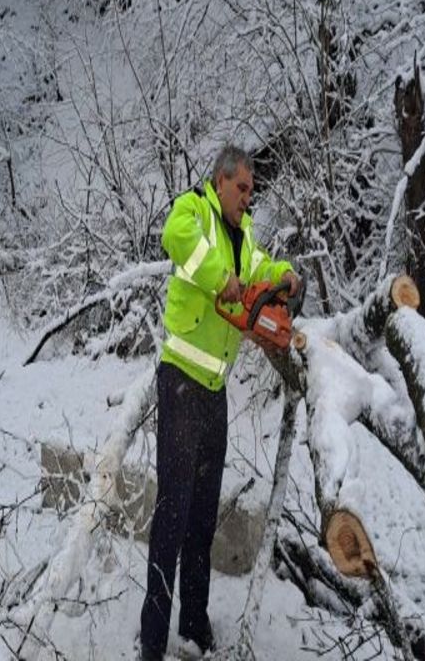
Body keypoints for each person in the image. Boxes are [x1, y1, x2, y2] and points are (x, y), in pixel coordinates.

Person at [139, 145, 300, 660]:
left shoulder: (244, 234)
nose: (248, 199)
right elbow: (174, 238)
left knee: (203, 516)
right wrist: (218, 276)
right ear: (222, 181)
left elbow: (256, 271)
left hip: (213, 391)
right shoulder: (195, 210)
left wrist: (283, 275)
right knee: (173, 512)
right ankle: (152, 637)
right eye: (243, 189)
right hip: (182, 381)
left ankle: (193, 623)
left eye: (252, 191)